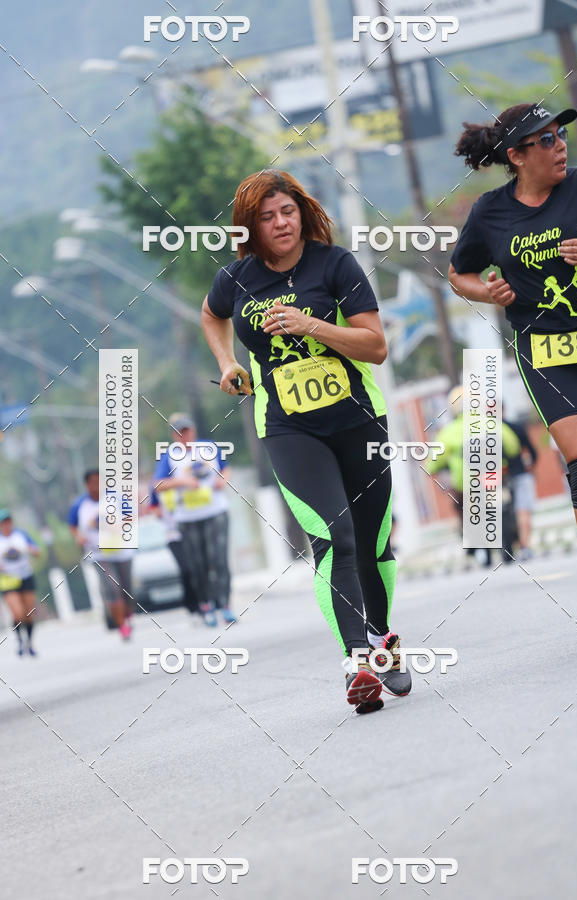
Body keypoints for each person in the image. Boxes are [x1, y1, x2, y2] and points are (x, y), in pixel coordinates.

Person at [201, 168, 412, 714]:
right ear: (249, 227)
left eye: (288, 212)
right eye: (267, 217)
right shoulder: (235, 279)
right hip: (288, 427)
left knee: (373, 542)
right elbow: (211, 314)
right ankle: (356, 662)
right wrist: (227, 363)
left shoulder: (335, 265)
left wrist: (310, 325)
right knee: (334, 537)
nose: (281, 223)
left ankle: (382, 638)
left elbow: (375, 347)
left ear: (302, 213)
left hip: (358, 420)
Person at [449, 103, 577, 581]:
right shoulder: (490, 212)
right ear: (517, 155)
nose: (561, 147)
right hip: (548, 355)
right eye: (547, 139)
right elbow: (459, 273)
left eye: (561, 136)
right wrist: (486, 292)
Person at [153, 414, 236, 627]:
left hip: (216, 511)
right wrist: (182, 481)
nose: (185, 436)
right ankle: (206, 606)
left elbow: (225, 467)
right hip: (187, 517)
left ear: (193, 430)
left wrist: (223, 479)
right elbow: (158, 485)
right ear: (174, 435)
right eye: (180, 432)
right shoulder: (169, 456)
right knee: (198, 565)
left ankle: (225, 605)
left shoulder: (208, 447)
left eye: (187, 430)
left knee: (219, 560)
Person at [427, 387, 521, 565]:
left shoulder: (448, 432)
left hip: (468, 483)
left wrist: (432, 468)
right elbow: (513, 446)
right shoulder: (492, 423)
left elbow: (433, 461)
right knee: (507, 503)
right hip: (495, 477)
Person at [67, 469, 135, 640]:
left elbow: (130, 517)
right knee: (112, 588)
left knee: (126, 588)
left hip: (122, 551)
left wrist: (119, 526)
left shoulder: (116, 498)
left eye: (99, 481)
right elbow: (72, 526)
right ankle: (122, 626)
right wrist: (78, 536)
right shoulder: (79, 505)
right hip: (99, 554)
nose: (96, 486)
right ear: (86, 485)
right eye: (92, 482)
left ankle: (127, 615)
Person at [148, 487, 197, 617]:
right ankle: (192, 605)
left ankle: (206, 601)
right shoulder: (157, 484)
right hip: (173, 535)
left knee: (199, 568)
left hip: (191, 531)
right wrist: (160, 513)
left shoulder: (184, 479)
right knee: (186, 570)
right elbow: (153, 507)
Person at [0, 509, 40, 656]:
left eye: (8, 522)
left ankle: (29, 642)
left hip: (25, 576)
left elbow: (37, 551)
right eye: (3, 523)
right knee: (18, 612)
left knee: (29, 613)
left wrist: (30, 550)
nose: (6, 525)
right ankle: (20, 640)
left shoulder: (21, 535)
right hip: (8, 580)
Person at [503, 414, 538, 560]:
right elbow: (533, 452)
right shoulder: (516, 427)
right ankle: (524, 547)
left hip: (497, 478)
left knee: (501, 511)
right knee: (523, 510)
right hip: (520, 473)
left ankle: (507, 547)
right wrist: (530, 465)